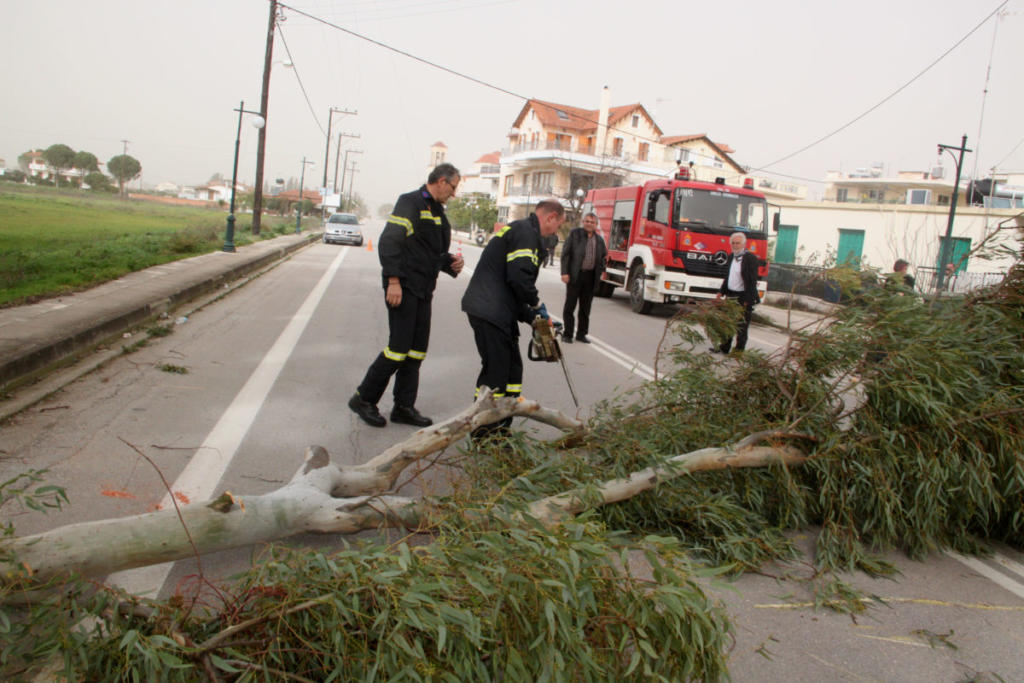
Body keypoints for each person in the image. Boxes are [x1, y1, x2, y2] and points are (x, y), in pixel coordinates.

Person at [348, 163, 465, 428]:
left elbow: (428, 250)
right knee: (397, 350)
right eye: (454, 187)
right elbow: (390, 241)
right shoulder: (411, 202)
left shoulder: (436, 211)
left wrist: (449, 263)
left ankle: (403, 406)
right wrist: (393, 281)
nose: (454, 194)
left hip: (424, 289)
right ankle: (363, 398)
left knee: (416, 352)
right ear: (443, 181)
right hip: (404, 286)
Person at [461, 200, 566, 437]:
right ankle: (483, 432)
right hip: (489, 310)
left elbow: (512, 286)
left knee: (512, 372)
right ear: (550, 217)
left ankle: (500, 427)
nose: (555, 232)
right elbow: (520, 280)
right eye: (557, 225)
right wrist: (538, 306)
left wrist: (535, 318)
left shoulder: (522, 231)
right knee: (496, 374)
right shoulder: (526, 234)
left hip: (497, 309)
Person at [560, 212, 607, 344]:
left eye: (592, 222)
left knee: (585, 308)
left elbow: (603, 256)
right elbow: (565, 254)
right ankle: (568, 334)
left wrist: (601, 270)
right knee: (570, 306)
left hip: (591, 277)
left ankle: (581, 334)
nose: (589, 224)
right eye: (586, 221)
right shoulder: (575, 234)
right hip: (575, 275)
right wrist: (564, 272)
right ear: (583, 222)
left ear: (596, 225)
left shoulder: (599, 240)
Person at [711, 231, 761, 354]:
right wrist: (721, 292)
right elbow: (728, 277)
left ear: (743, 244)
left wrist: (748, 300)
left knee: (741, 326)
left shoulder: (750, 258)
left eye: (737, 243)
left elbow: (751, 281)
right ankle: (724, 347)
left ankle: (738, 350)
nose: (735, 245)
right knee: (727, 323)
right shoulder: (731, 257)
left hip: (744, 296)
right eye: (733, 243)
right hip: (731, 295)